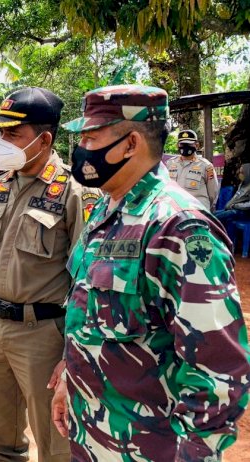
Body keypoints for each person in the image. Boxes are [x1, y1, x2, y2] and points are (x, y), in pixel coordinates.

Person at [50, 85, 250, 461]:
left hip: (151, 448)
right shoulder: (107, 210)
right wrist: (70, 380)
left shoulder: (179, 227)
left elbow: (218, 372)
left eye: (91, 137)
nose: (81, 150)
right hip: (93, 436)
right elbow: (90, 317)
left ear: (130, 144)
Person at [0, 86, 100, 462]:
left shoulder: (75, 194)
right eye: (0, 133)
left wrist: (73, 352)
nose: (2, 142)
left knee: (56, 442)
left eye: (12, 134)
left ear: (44, 139)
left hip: (44, 335)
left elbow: (86, 279)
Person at [166, 129, 219, 210]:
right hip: (174, 211)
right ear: (177, 145)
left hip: (197, 211)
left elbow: (213, 194)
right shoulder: (170, 163)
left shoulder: (206, 166)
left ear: (196, 145)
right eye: (182, 144)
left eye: (189, 144)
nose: (185, 146)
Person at [214, 163, 250, 237]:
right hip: (234, 209)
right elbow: (235, 198)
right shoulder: (242, 184)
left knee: (216, 218)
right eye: (239, 172)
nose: (239, 174)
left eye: (241, 173)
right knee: (212, 214)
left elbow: (248, 205)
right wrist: (229, 205)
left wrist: (235, 206)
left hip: (243, 212)